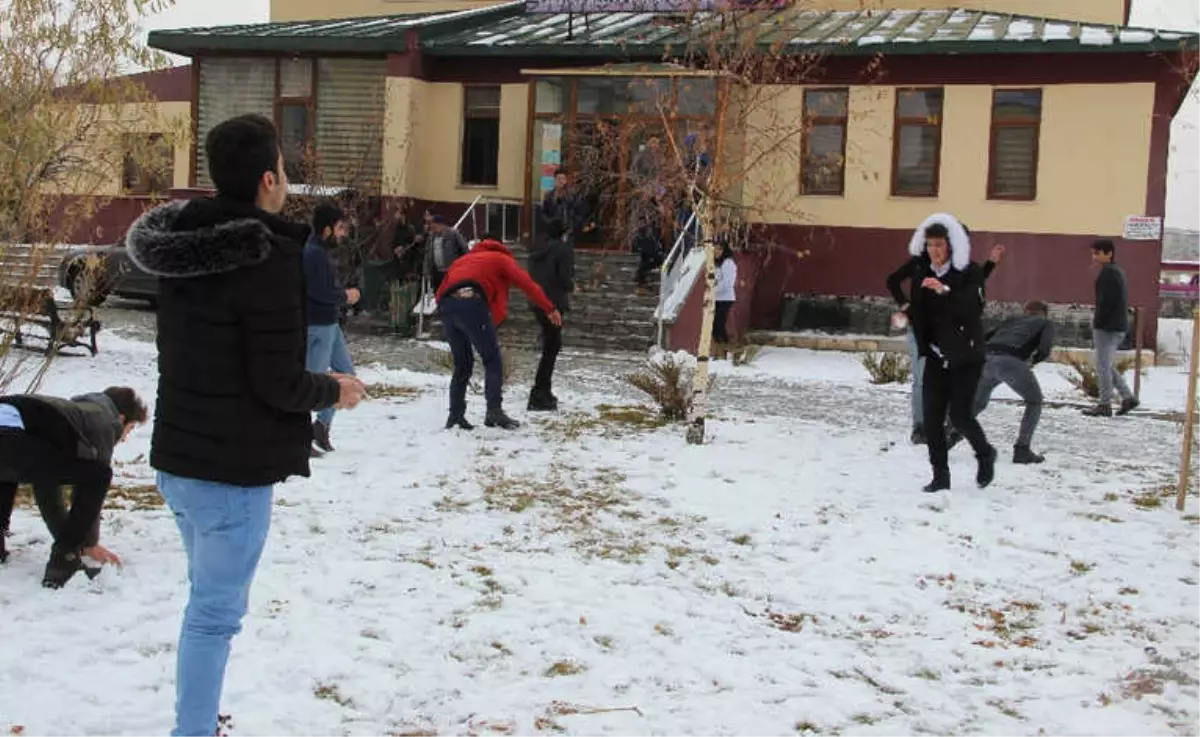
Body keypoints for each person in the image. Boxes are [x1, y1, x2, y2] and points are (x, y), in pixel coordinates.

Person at [125, 113, 367, 737]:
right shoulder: (267, 259)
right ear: (267, 179)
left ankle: (198, 716)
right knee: (213, 615)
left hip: (178, 461)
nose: (287, 182)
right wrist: (334, 390)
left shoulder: (184, 248)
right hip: (229, 473)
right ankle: (194, 729)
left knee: (203, 607)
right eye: (285, 170)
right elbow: (278, 380)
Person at [0, 387, 146, 587]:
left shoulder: (73, 411)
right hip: (12, 433)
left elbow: (46, 481)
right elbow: (85, 488)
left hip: (7, 413)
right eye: (129, 429)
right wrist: (88, 544)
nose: (124, 438)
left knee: (7, 468)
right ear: (121, 418)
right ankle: (64, 562)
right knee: (100, 475)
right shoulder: (105, 422)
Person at [906, 213, 995, 492]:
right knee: (932, 419)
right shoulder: (923, 272)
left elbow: (971, 308)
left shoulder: (971, 272)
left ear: (952, 247)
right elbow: (920, 310)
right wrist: (907, 316)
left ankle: (985, 454)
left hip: (965, 357)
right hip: (935, 355)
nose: (934, 251)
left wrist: (944, 290)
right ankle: (940, 476)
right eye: (930, 245)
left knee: (959, 415)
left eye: (939, 245)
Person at [436, 233, 561, 431]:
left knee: (462, 363)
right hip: (472, 304)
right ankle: (494, 411)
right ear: (500, 246)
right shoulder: (501, 259)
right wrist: (549, 308)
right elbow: (527, 284)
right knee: (492, 360)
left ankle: (456, 414)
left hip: (447, 305)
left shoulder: (464, 260)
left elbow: (441, 289)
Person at [888, 240, 1005, 445]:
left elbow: (972, 285)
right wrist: (906, 306)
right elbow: (893, 280)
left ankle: (941, 424)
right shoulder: (918, 264)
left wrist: (991, 263)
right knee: (922, 378)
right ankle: (920, 427)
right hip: (921, 329)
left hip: (948, 330)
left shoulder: (956, 267)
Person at [304, 202, 361, 455]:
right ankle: (300, 436)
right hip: (318, 325)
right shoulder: (313, 253)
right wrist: (345, 296)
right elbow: (319, 292)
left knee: (346, 374)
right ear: (326, 229)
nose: (343, 234)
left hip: (330, 323)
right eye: (339, 228)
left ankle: (322, 426)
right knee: (312, 381)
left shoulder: (319, 253)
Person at [970, 300, 1055, 464]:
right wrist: (1032, 362)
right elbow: (1045, 349)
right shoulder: (1045, 323)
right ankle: (1022, 450)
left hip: (986, 360)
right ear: (1043, 313)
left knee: (978, 402)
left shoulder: (1011, 320)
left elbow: (984, 338)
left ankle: (950, 434)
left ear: (1026, 311)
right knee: (1034, 401)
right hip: (1010, 361)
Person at [1085, 239, 1138, 417]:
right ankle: (1128, 397)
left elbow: (1105, 302)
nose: (1094, 256)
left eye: (1098, 253)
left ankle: (1104, 404)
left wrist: (1098, 322)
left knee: (1103, 367)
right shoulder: (1116, 271)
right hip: (1117, 325)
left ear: (1109, 253)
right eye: (1093, 253)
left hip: (1107, 327)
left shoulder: (1109, 273)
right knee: (1105, 365)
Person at [527, 218, 574, 412]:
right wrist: (571, 285)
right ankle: (540, 392)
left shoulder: (537, 249)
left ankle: (543, 390)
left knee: (551, 344)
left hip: (537, 300)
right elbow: (565, 277)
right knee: (552, 346)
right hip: (553, 302)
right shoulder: (562, 250)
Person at [425, 214, 470, 291]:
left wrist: (462, 266)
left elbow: (465, 249)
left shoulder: (453, 234)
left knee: (450, 293)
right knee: (438, 294)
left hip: (451, 271)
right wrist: (427, 271)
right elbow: (428, 254)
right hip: (437, 273)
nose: (432, 227)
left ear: (440, 224)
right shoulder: (431, 237)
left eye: (434, 225)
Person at [712, 239, 738, 359]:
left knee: (719, 324)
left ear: (725, 250)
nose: (716, 252)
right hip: (716, 298)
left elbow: (728, 283)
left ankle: (728, 349)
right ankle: (718, 351)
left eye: (719, 249)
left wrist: (713, 289)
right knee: (713, 326)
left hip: (726, 299)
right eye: (715, 249)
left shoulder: (728, 263)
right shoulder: (715, 263)